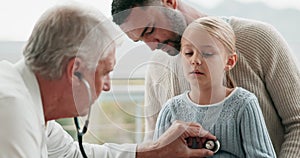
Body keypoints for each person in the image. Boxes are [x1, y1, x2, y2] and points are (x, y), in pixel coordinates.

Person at [0, 3, 217, 158]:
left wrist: (156, 151)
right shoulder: (11, 112)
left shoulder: (29, 101)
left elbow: (72, 154)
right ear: (75, 71)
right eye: (105, 72)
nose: (107, 86)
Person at [111, 0, 300, 157]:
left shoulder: (258, 38)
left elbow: (297, 123)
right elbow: (154, 144)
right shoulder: (156, 68)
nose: (152, 47)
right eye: (141, 40)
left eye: (150, 30)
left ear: (169, 2)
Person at [153, 16, 276, 157]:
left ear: (230, 61)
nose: (195, 60)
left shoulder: (244, 104)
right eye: (188, 53)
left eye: (207, 54)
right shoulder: (171, 110)